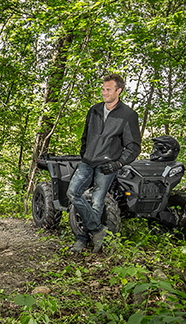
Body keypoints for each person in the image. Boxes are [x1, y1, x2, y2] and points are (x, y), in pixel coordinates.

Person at [67, 74, 141, 253]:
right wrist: (84, 152)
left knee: (97, 202)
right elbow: (86, 135)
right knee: (72, 193)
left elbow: (133, 146)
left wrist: (119, 163)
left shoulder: (128, 115)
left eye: (108, 89)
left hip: (107, 165)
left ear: (119, 91)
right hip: (87, 162)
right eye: (103, 89)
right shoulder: (94, 110)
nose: (104, 92)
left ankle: (82, 239)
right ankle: (98, 230)